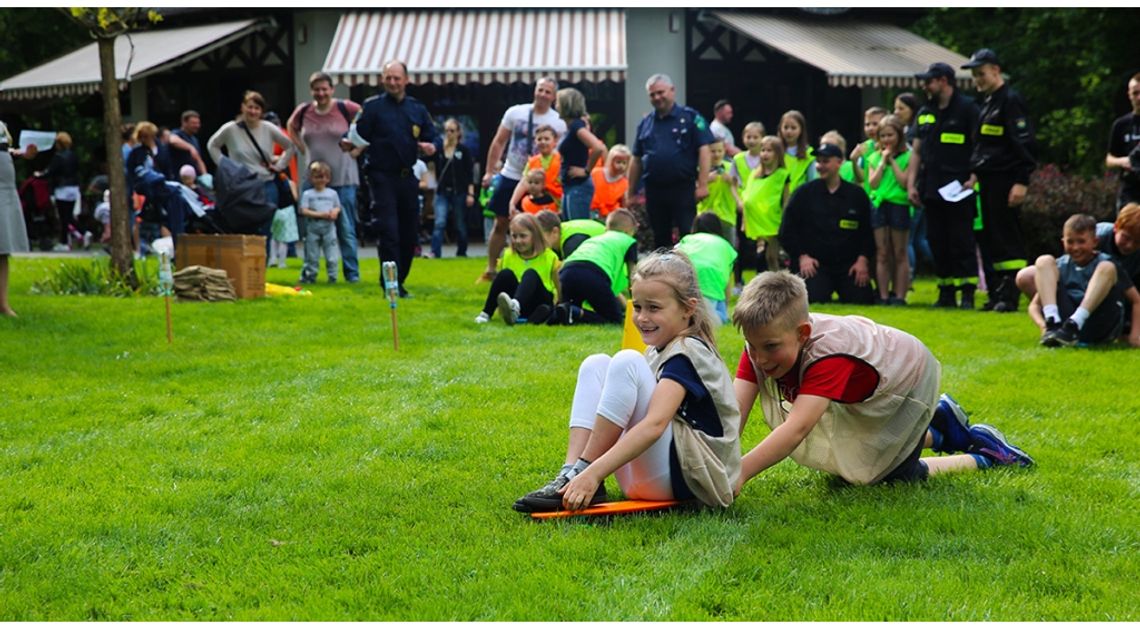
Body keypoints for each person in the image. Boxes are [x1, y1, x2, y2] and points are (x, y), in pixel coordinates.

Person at [731, 271, 1034, 493]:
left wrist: (741, 472)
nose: (759, 357)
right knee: (856, 455)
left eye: (771, 347)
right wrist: (713, 463)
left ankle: (990, 455)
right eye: (752, 346)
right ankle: (940, 426)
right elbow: (732, 415)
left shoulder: (828, 357)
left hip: (904, 378)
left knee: (883, 475)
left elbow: (797, 427)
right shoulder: (760, 343)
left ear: (803, 334)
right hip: (866, 384)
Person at [512, 250, 741, 513]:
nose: (642, 317)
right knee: (596, 364)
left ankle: (585, 471)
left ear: (688, 308)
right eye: (638, 306)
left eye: (654, 308)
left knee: (627, 362)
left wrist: (595, 472)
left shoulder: (688, 351)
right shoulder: (661, 347)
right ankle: (571, 471)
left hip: (692, 480)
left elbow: (655, 425)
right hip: (654, 477)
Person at [346, 60, 440, 297]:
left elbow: (434, 136)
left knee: (410, 233)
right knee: (388, 231)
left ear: (406, 80)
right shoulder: (372, 107)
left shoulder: (417, 109)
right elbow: (355, 134)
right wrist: (347, 142)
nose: (393, 82)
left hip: (408, 178)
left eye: (397, 78)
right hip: (381, 177)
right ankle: (391, 286)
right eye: (388, 78)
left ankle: (399, 280)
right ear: (382, 79)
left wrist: (432, 147)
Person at [963, 48, 1037, 313]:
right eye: (974, 75)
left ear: (996, 70)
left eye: (981, 74)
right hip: (986, 181)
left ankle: (1010, 294)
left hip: (1006, 180)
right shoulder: (988, 102)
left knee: (1008, 239)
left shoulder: (1010, 100)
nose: (977, 80)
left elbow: (1024, 144)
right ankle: (996, 293)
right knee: (991, 239)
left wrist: (1021, 181)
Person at [907, 62, 981, 309]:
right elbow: (916, 151)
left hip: (959, 187)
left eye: (929, 81)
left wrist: (974, 177)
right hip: (931, 187)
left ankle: (967, 292)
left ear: (944, 81)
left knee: (961, 241)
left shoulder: (968, 108)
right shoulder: (925, 111)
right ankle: (946, 292)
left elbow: (979, 146)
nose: (924, 86)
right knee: (937, 241)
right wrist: (911, 184)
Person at [480, 77, 566, 283]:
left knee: (540, 226)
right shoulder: (515, 112)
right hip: (512, 174)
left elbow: (560, 153)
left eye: (548, 92)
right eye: (540, 90)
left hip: (542, 182)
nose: (543, 94)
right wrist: (489, 172)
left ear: (554, 97)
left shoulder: (558, 121)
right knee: (501, 222)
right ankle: (491, 269)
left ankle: (539, 270)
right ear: (534, 90)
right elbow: (499, 141)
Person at [1012, 214, 1138, 348]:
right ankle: (1053, 323)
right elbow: (1034, 306)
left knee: (1107, 267)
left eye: (1081, 241)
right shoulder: (1062, 265)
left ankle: (1075, 323)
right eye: (1070, 242)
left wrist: (1134, 335)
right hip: (1066, 324)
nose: (1076, 247)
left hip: (1099, 322)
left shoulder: (1106, 262)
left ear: (1095, 242)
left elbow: (1137, 300)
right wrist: (1043, 327)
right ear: (1063, 242)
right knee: (1044, 261)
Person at [288, 71, 364, 282]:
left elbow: (368, 120)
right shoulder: (304, 111)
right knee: (311, 230)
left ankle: (352, 274)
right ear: (311, 91)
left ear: (332, 89)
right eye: (317, 89)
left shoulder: (345, 107)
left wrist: (358, 148)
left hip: (343, 178)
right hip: (312, 179)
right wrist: (303, 148)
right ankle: (309, 273)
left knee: (345, 229)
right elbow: (291, 127)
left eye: (325, 89)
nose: (321, 93)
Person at [778, 143, 874, 304]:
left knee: (863, 299)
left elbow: (868, 232)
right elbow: (786, 231)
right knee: (813, 298)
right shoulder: (803, 193)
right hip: (815, 265)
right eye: (818, 162)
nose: (820, 166)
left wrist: (863, 260)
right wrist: (802, 256)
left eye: (825, 161)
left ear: (840, 162)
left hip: (848, 265)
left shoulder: (856, 195)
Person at [628, 73, 714, 249]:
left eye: (661, 92)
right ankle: (665, 275)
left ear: (672, 91)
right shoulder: (645, 123)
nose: (657, 97)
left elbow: (705, 150)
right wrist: (630, 193)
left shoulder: (691, 118)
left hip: (683, 187)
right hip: (654, 190)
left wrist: (703, 184)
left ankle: (689, 275)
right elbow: (636, 159)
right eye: (652, 95)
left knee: (687, 235)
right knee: (660, 238)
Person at [207, 90, 296, 239]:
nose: (253, 111)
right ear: (242, 107)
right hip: (240, 186)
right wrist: (225, 166)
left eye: (257, 108)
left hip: (265, 183)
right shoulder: (231, 128)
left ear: (261, 111)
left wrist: (279, 165)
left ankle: (263, 260)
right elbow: (212, 146)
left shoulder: (268, 128)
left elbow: (290, 146)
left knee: (265, 228)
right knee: (241, 227)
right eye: (250, 107)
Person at [552, 208, 639, 325]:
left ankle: (559, 312)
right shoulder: (628, 241)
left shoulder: (595, 239)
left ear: (607, 227)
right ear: (629, 230)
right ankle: (574, 311)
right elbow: (632, 276)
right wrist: (636, 303)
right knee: (615, 320)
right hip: (593, 273)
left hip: (568, 270)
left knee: (566, 312)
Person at [475, 212, 561, 326]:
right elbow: (502, 287)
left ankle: (516, 307)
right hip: (516, 298)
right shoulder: (508, 255)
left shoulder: (549, 256)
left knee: (531, 274)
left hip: (539, 298)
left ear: (534, 236)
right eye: (514, 236)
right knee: (505, 274)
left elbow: (559, 288)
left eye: (523, 236)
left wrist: (560, 305)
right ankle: (486, 313)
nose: (518, 241)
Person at [866, 114, 912, 305]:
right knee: (882, 252)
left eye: (890, 135)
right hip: (879, 205)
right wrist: (882, 162)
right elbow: (873, 183)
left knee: (899, 252)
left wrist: (892, 161)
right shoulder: (874, 157)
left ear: (899, 136)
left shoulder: (908, 157)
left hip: (899, 205)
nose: (886, 140)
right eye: (883, 136)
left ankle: (900, 295)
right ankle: (883, 295)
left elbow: (904, 182)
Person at [676, 212, 737, 324]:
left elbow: (674, 254)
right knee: (720, 316)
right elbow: (727, 283)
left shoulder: (688, 239)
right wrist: (727, 306)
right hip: (711, 287)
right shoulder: (725, 245)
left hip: (685, 286)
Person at [741, 135, 790, 275]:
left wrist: (785, 222)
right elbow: (747, 197)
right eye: (763, 150)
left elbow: (786, 200)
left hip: (773, 222)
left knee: (772, 256)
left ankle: (779, 284)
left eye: (769, 150)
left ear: (778, 154)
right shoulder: (754, 174)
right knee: (761, 256)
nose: (765, 154)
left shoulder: (782, 175)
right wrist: (745, 220)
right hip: (756, 222)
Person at [555, 87, 607, 220]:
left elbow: (597, 147)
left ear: (567, 105)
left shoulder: (576, 126)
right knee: (569, 227)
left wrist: (586, 170)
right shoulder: (573, 126)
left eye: (558, 102)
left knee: (577, 230)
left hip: (578, 186)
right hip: (570, 186)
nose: (556, 106)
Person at [426, 117, 474, 259]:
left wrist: (470, 194)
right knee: (440, 222)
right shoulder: (439, 150)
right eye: (446, 130)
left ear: (458, 132)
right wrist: (431, 184)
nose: (449, 133)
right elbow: (431, 167)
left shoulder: (464, 150)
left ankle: (461, 251)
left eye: (452, 130)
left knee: (460, 224)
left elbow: (469, 173)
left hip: (459, 191)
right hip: (442, 191)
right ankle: (435, 252)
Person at [1, 120, 35, 317]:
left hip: (4, 186)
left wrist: (21, 154)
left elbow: (4, 149)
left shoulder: (2, 125)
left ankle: (2, 303)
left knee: (2, 246)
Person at [297, 161, 341, 284]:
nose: (320, 180)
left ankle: (333, 277)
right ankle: (311, 276)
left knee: (331, 255)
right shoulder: (308, 194)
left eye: (323, 177)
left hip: (329, 228)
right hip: (313, 227)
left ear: (328, 178)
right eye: (317, 177)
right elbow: (303, 210)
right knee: (312, 255)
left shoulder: (332, 193)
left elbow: (338, 207)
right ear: (311, 178)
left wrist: (334, 212)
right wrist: (320, 214)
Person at [1104, 73, 1140, 213]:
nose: (1139, 98)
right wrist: (1125, 161)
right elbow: (1109, 159)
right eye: (1135, 93)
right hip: (1130, 190)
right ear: (1129, 95)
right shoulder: (1121, 125)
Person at [39, 132, 80, 250]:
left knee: (63, 217)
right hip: (73, 187)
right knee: (69, 215)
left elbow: (51, 171)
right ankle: (80, 234)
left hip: (62, 188)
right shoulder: (73, 156)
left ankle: (64, 242)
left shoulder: (58, 157)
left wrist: (40, 175)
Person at [508, 125, 561, 214]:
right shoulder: (532, 162)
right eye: (539, 139)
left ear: (555, 141)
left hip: (556, 205)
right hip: (536, 204)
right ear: (535, 142)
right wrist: (512, 203)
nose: (543, 142)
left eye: (546, 139)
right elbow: (523, 183)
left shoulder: (561, 160)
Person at [696, 139, 740, 246]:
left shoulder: (732, 168)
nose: (717, 154)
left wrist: (732, 181)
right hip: (705, 214)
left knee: (729, 248)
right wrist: (705, 180)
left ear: (724, 150)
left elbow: (742, 188)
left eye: (719, 151)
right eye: (713, 151)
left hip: (727, 215)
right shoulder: (700, 169)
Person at [535, 208, 604, 260]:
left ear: (554, 232)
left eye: (541, 237)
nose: (537, 242)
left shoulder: (571, 243)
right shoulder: (560, 233)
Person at [589, 144, 631, 220]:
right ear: (610, 160)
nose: (621, 166)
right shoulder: (596, 173)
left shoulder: (624, 183)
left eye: (624, 163)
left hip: (611, 216)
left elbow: (624, 203)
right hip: (593, 212)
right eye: (618, 162)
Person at [778, 110, 815, 193]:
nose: (789, 131)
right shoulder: (775, 150)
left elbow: (812, 180)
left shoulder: (809, 153)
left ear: (801, 130)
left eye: (793, 128)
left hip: (799, 199)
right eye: (786, 127)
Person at [850, 106, 886, 188]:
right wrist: (854, 161)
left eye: (875, 124)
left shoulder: (891, 145)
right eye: (867, 124)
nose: (870, 128)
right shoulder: (864, 147)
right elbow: (860, 179)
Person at [167, 110, 207, 177]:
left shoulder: (194, 139)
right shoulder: (177, 133)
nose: (197, 126)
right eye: (194, 123)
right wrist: (190, 147)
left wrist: (205, 175)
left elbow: (198, 159)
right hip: (179, 178)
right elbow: (173, 140)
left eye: (198, 123)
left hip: (193, 179)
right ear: (184, 122)